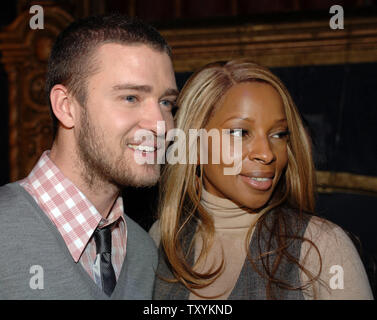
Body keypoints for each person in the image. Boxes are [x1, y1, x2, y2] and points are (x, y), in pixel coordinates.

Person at [149, 60, 374, 300]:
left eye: (278, 134)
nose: (267, 154)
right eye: (240, 133)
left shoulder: (322, 247)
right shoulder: (162, 237)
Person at [0, 14, 178, 299]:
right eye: (131, 97)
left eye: (167, 102)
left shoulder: (144, 251)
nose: (160, 124)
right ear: (66, 106)